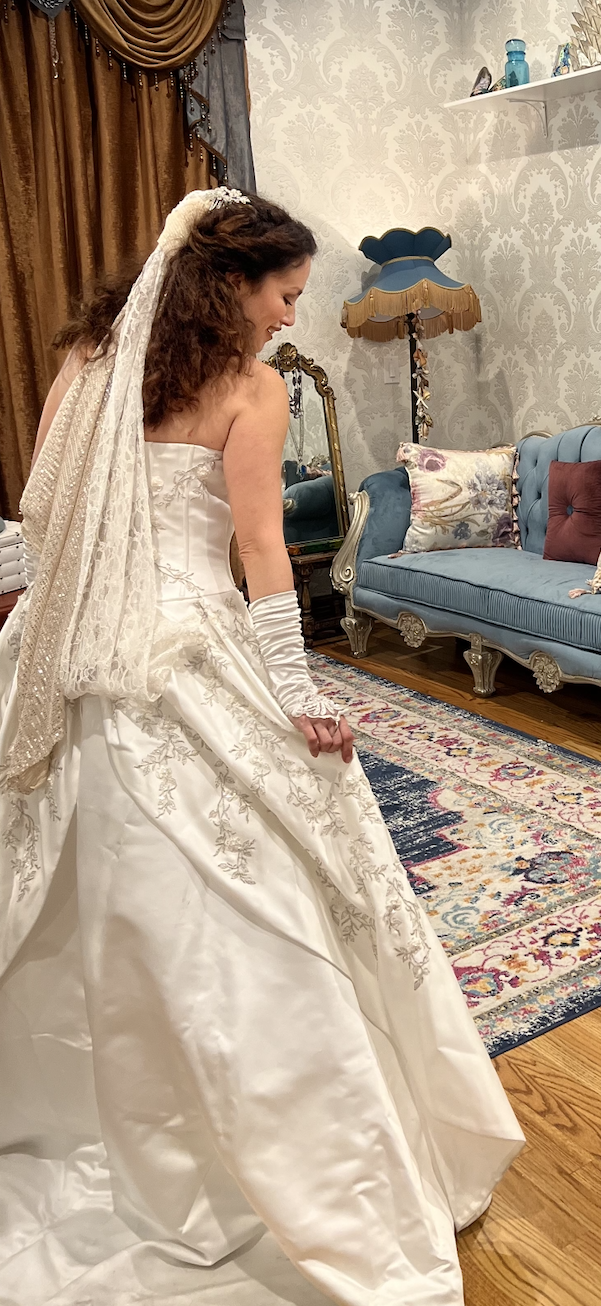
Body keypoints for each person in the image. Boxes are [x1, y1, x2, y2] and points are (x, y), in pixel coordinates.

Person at [0, 188, 523, 1305]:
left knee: (116, 913)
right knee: (265, 914)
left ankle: (124, 1134)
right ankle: (300, 1168)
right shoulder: (248, 387)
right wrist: (294, 691)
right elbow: (259, 554)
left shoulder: (86, 363)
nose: (292, 315)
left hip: (87, 674)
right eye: (285, 292)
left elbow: (41, 520)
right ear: (230, 283)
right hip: (188, 658)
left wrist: (45, 621)